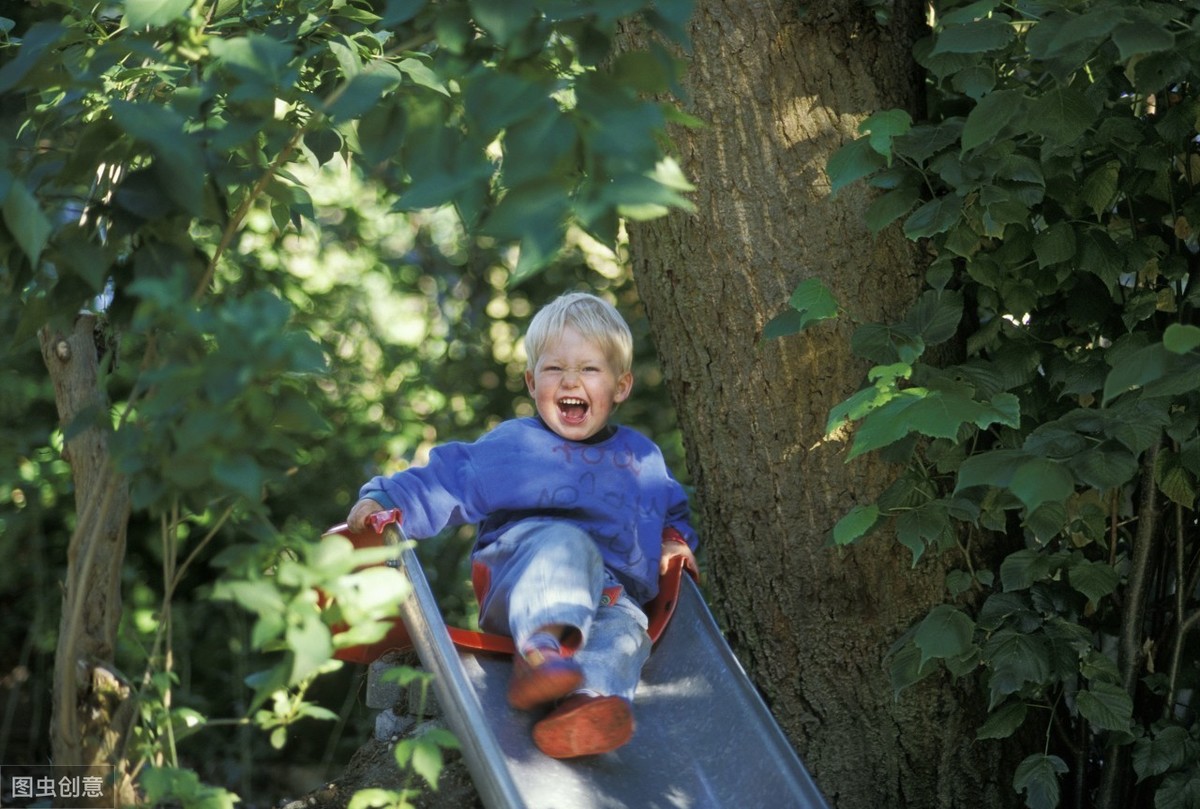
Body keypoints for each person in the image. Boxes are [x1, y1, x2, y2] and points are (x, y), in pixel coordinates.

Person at [347, 291, 699, 759]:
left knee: (628, 633)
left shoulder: (642, 459)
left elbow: (670, 508)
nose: (570, 380)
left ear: (621, 385)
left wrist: (674, 541)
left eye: (590, 369)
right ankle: (540, 654)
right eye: (555, 369)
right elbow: (451, 479)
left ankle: (583, 705)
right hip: (520, 581)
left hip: (609, 604)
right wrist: (386, 499)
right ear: (532, 382)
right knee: (566, 542)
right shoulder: (518, 446)